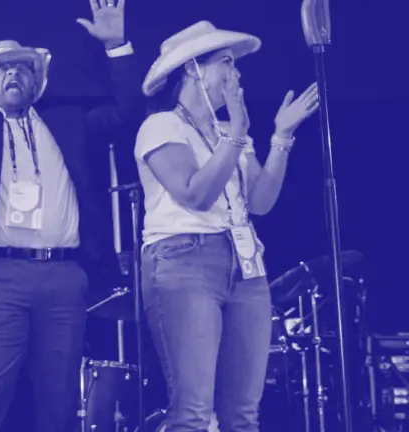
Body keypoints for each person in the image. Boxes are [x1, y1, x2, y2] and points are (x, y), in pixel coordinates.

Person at [0, 0, 144, 432]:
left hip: (65, 277)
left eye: (21, 68)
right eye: (1, 70)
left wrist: (116, 45)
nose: (12, 73)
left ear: (36, 83)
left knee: (60, 403)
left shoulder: (69, 123)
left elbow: (129, 113)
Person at [133, 21, 318, 432]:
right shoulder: (162, 126)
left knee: (244, 415)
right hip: (183, 260)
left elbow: (261, 202)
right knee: (194, 412)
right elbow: (194, 194)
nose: (236, 75)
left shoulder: (226, 133)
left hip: (246, 266)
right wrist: (236, 135)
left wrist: (281, 137)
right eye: (226, 63)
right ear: (192, 69)